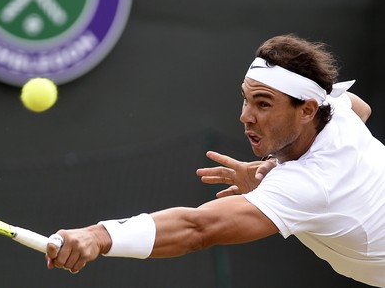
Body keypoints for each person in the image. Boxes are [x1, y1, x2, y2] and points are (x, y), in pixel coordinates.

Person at [45, 34, 385, 287]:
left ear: (307, 110)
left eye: (263, 104)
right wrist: (274, 164)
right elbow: (359, 107)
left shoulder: (310, 184)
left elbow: (198, 228)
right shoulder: (333, 109)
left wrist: (99, 236)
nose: (246, 117)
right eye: (246, 100)